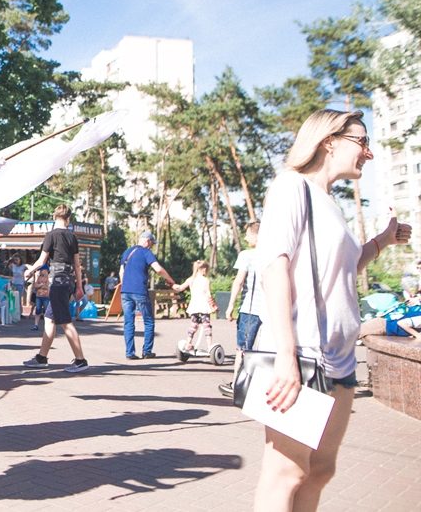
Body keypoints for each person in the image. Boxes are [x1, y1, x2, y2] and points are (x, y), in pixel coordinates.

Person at [252, 109, 412, 512]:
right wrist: (286, 357)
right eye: (362, 141)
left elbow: (341, 268)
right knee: (286, 473)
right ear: (329, 140)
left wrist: (381, 242)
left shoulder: (327, 201)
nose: (369, 153)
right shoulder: (291, 187)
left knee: (320, 470)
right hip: (301, 354)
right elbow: (275, 267)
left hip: (339, 360)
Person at [20, 204, 89, 372]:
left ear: (54, 217)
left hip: (57, 282)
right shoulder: (72, 237)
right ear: (68, 219)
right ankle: (42, 357)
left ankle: (80, 360)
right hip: (69, 281)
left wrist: (29, 271)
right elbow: (77, 265)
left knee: (65, 322)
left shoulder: (51, 235)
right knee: (50, 319)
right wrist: (79, 286)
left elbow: (42, 261)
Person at [119, 230, 177, 360]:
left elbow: (121, 272)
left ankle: (130, 353)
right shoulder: (146, 252)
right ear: (147, 241)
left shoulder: (127, 252)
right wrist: (170, 280)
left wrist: (125, 285)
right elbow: (158, 269)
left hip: (125, 292)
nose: (151, 246)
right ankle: (147, 351)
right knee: (149, 321)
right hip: (139, 291)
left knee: (128, 322)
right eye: (151, 243)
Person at [219, 222, 261, 398]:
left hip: (250, 309)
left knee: (243, 347)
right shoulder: (276, 255)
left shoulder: (247, 255)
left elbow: (238, 281)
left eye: (248, 235)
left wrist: (230, 305)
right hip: (272, 310)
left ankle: (237, 383)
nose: (245, 238)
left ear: (256, 236)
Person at [172, 260, 216, 352]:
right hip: (204, 306)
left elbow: (180, 288)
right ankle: (209, 346)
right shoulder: (205, 280)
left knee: (193, 325)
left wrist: (174, 285)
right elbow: (208, 294)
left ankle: (188, 343)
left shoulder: (190, 279)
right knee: (207, 325)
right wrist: (213, 306)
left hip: (194, 306)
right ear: (204, 269)